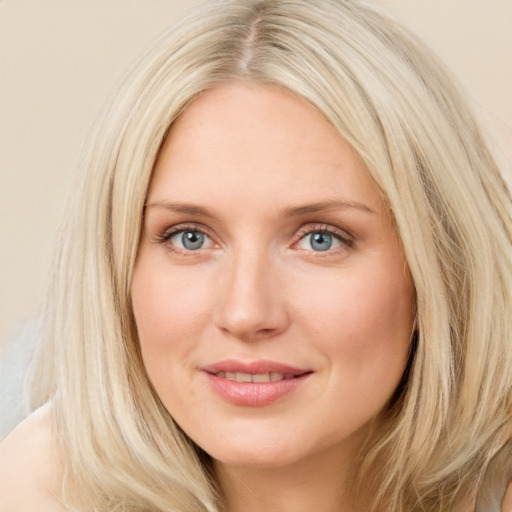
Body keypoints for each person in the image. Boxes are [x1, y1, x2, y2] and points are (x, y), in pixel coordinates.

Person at [0, 1, 511, 511]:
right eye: (190, 237)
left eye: (321, 239)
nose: (245, 313)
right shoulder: (38, 483)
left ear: (439, 272)